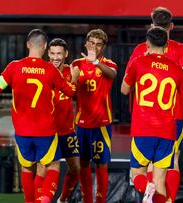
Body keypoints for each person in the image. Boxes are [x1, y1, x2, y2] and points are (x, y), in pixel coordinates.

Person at [0, 29, 76, 203]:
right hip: (46, 131)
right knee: (53, 165)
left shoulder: (14, 67)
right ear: (44, 47)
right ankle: (44, 200)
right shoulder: (50, 69)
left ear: (28, 44)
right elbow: (70, 91)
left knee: (27, 168)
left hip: (22, 131)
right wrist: (73, 78)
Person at [126, 6, 183, 202]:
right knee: (172, 162)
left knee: (145, 168)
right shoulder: (180, 49)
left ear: (151, 26)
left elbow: (126, 83)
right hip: (173, 115)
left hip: (145, 119)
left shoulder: (141, 49)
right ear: (171, 26)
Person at [71, 28, 117, 203]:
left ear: (104, 47)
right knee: (82, 162)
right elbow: (71, 89)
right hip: (81, 123)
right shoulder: (76, 64)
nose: (95, 47)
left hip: (102, 123)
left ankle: (100, 200)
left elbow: (112, 75)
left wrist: (96, 62)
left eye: (99, 44)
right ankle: (87, 200)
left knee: (101, 163)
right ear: (86, 44)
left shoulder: (109, 64)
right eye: (92, 44)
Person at [33, 38, 81, 203]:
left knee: (76, 169)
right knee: (42, 169)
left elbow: (76, 94)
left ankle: (63, 199)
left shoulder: (72, 71)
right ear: (48, 53)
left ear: (66, 54)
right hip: (47, 131)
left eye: (59, 53)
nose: (55, 57)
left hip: (67, 130)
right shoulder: (42, 70)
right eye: (52, 53)